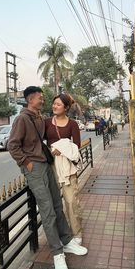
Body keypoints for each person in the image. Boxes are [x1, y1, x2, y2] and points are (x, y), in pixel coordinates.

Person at [8, 86, 88, 269]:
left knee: (57, 206)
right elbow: (12, 145)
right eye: (40, 98)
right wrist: (26, 163)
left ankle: (67, 241)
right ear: (30, 100)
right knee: (48, 210)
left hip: (46, 164)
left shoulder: (38, 119)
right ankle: (57, 253)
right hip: (34, 168)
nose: (44, 101)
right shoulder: (22, 119)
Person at [45, 94, 83, 245]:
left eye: (58, 104)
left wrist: (62, 150)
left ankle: (77, 233)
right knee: (54, 203)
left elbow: (77, 146)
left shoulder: (72, 124)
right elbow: (40, 141)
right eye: (54, 104)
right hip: (51, 166)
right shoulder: (47, 122)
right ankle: (60, 235)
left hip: (67, 167)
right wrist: (51, 150)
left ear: (66, 108)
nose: (54, 106)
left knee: (71, 201)